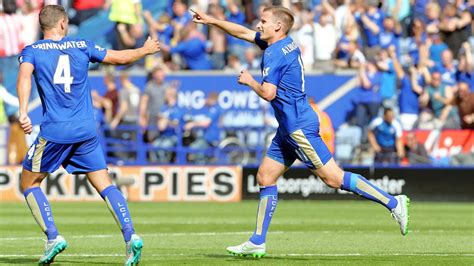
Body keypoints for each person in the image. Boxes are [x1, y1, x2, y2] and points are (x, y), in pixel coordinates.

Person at [191, 5, 410, 258]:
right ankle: (257, 241)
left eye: (263, 21)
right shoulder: (285, 43)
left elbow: (268, 93)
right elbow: (242, 33)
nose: (258, 25)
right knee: (265, 176)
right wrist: (211, 21)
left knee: (333, 178)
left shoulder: (274, 54)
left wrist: (251, 81)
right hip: (288, 127)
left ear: (278, 27)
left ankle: (394, 202)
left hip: (298, 127)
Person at [16, 5, 160, 265]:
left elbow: (24, 77)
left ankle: (53, 237)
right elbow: (118, 58)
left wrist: (24, 110)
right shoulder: (81, 45)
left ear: (43, 26)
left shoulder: (32, 51)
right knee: (105, 184)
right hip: (85, 129)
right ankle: (131, 236)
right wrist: (145, 50)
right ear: (62, 24)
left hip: (55, 129)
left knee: (28, 183)